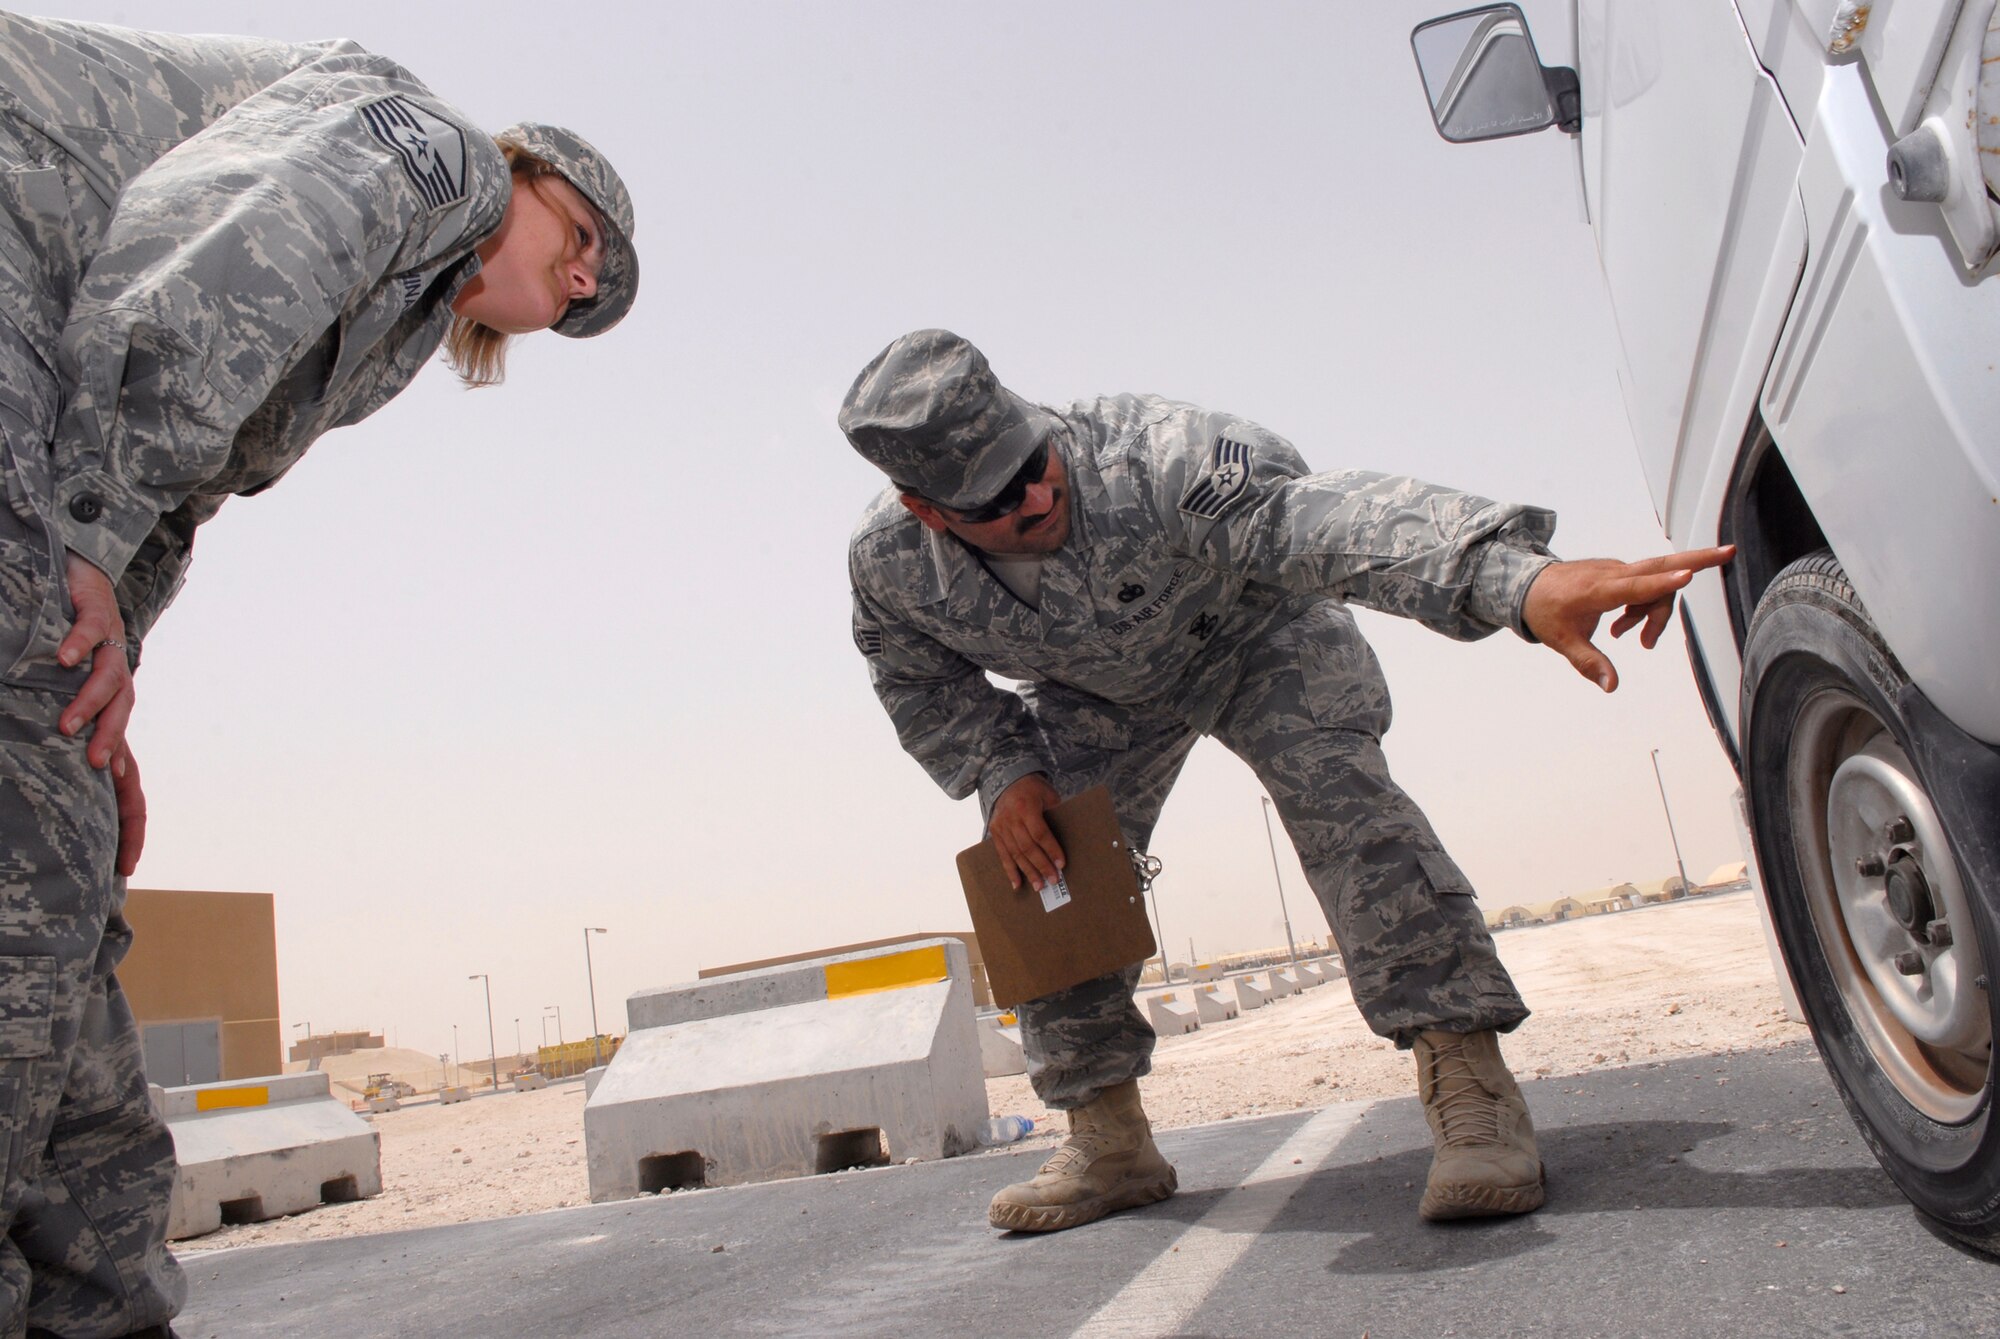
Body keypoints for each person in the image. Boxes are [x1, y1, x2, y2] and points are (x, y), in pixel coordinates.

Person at [0, 15, 638, 1335]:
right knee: (26, 857)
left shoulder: (392, 325)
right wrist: (83, 541)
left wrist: (102, 702)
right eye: (582, 243)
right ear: (530, 172)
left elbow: (182, 489)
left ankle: (101, 1302)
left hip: (53, 358)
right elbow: (200, 270)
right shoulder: (437, 155)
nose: (577, 285)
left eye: (588, 297)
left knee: (49, 850)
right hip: (24, 238)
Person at [841, 329, 1730, 1234]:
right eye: (997, 496)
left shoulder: (1156, 459)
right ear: (927, 510)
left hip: (1258, 638)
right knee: (1041, 876)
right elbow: (914, 676)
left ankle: (1470, 1085)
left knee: (1348, 812)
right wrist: (1005, 770)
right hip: (1094, 698)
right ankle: (1108, 1138)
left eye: (1033, 458)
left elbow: (1327, 521)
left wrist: (1515, 581)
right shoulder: (891, 568)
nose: (1036, 493)